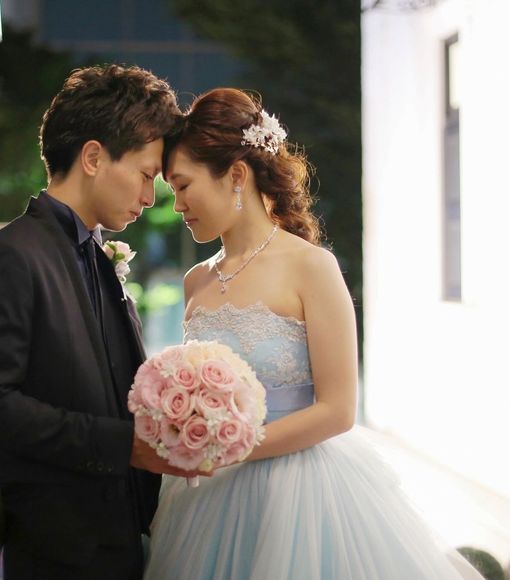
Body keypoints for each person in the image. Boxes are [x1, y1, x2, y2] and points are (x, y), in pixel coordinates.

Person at [144, 87, 485, 580]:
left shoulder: (311, 266)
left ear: (236, 175)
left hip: (301, 493)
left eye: (182, 186)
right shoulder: (196, 279)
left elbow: (338, 409)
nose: (176, 205)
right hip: (206, 498)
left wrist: (225, 449)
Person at [0, 64, 205, 580]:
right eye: (145, 175)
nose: (149, 197)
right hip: (54, 547)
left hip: (120, 535)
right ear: (93, 157)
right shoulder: (14, 254)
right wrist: (123, 444)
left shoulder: (98, 254)